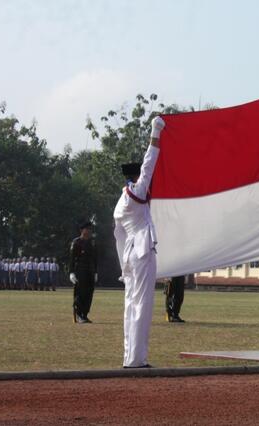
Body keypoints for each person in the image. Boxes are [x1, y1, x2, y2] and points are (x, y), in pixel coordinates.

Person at [113, 115, 165, 368]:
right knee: (142, 306)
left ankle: (130, 357)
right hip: (142, 251)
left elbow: (118, 236)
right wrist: (156, 132)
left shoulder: (119, 204)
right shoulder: (138, 191)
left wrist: (123, 266)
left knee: (130, 305)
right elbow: (149, 163)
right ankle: (137, 359)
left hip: (129, 255)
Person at [69, 221, 98, 323]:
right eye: (87, 229)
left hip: (90, 270)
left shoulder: (92, 242)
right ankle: (78, 314)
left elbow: (95, 258)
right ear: (82, 230)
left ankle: (84, 314)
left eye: (90, 229)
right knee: (80, 293)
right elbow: (72, 259)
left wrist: (95, 272)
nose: (89, 231)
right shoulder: (76, 242)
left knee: (89, 293)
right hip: (80, 270)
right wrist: (71, 272)